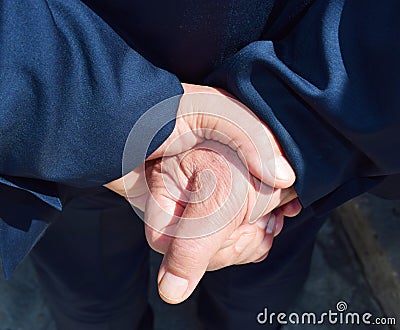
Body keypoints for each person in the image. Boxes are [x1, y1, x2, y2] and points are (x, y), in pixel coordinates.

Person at [1, 0, 399, 329]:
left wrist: (299, 126)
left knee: (252, 286)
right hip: (63, 133)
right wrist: (304, 124)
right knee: (93, 295)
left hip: (282, 118)